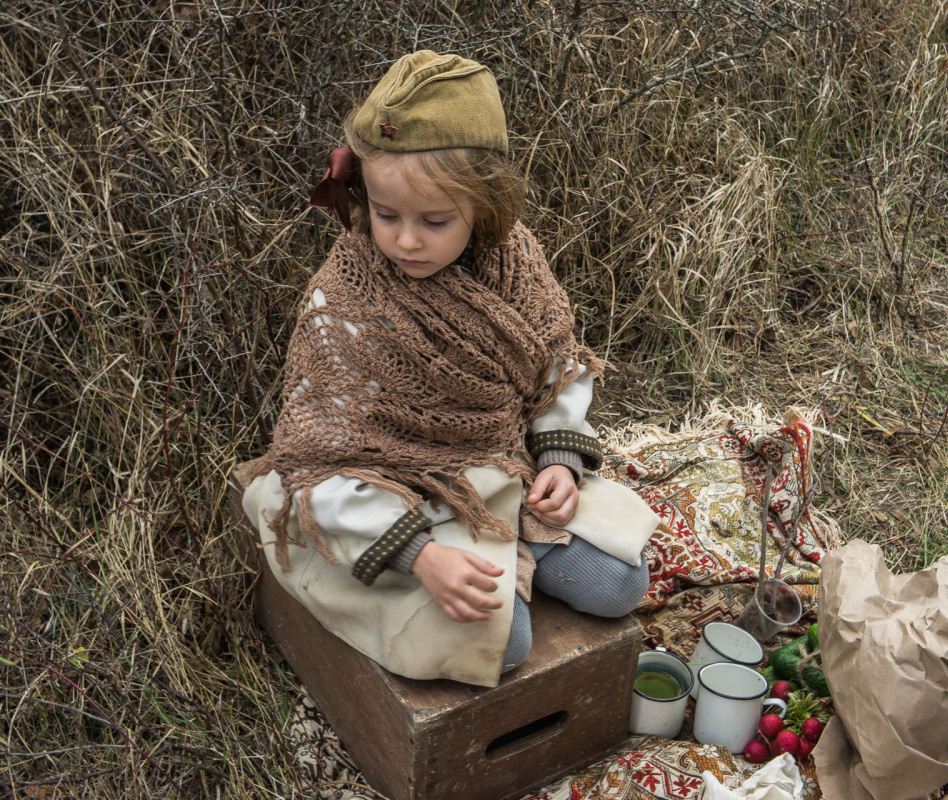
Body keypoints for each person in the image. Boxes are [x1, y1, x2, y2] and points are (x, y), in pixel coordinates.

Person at [239, 51, 661, 688]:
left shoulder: (513, 259)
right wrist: (421, 555)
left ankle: (514, 552)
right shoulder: (347, 303)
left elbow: (554, 366)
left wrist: (557, 459)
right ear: (364, 197)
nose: (406, 240)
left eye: (434, 222)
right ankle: (462, 572)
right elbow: (318, 459)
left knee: (622, 583)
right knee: (504, 643)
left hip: (501, 470)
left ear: (483, 208)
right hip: (392, 492)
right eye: (386, 215)